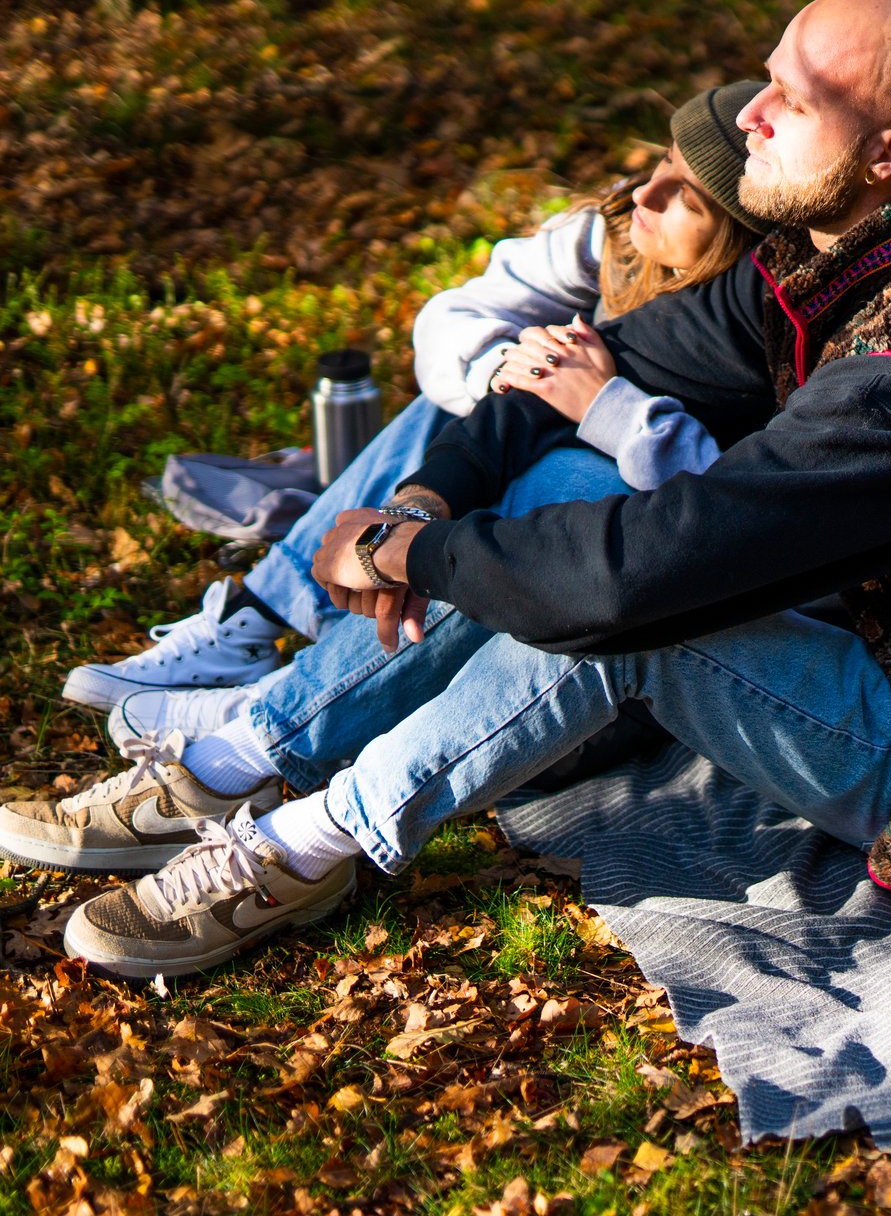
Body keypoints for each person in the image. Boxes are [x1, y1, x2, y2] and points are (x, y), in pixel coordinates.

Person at [31, 0, 891, 980]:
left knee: (637, 618)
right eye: (765, 79)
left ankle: (307, 845)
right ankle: (236, 761)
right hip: (879, 633)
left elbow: (633, 581)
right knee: (562, 465)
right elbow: (590, 362)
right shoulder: (845, 244)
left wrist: (404, 554)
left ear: (890, 149)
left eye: (790, 103)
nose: (746, 113)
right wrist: (423, 502)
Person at [59, 81, 768, 745]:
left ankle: (300, 696)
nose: (648, 191)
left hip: (616, 537)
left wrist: (602, 405)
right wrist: (503, 371)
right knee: (453, 403)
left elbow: (729, 506)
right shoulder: (616, 231)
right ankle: (260, 621)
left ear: (736, 237)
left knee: (562, 479)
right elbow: (455, 314)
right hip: (518, 464)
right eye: (662, 163)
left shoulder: (747, 337)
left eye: (687, 198)